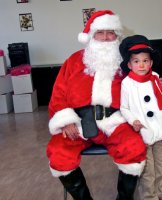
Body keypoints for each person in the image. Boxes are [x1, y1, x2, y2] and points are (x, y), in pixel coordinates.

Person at [46, 10, 147, 200]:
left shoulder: (126, 62)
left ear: (117, 35)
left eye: (111, 32)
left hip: (116, 121)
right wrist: (66, 120)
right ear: (91, 35)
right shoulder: (74, 61)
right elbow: (58, 94)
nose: (106, 37)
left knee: (133, 147)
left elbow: (144, 83)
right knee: (58, 152)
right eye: (100, 32)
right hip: (78, 123)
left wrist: (159, 85)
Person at [119, 35, 162, 200]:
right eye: (136, 61)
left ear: (150, 63)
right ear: (129, 65)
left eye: (145, 61)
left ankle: (161, 191)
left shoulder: (156, 78)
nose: (141, 65)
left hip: (160, 131)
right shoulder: (127, 83)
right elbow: (124, 107)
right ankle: (149, 196)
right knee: (147, 169)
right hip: (142, 132)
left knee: (161, 165)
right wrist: (132, 120)